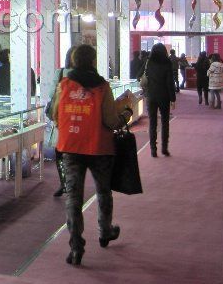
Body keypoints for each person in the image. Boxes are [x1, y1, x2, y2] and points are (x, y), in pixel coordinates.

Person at [51, 44, 133, 266]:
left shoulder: (64, 84)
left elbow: (55, 114)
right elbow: (111, 120)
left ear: (74, 61)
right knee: (103, 191)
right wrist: (126, 114)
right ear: (93, 61)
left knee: (73, 197)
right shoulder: (102, 86)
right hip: (99, 146)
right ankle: (105, 230)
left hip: (70, 146)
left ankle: (76, 247)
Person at [46, 46, 77, 197]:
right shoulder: (60, 73)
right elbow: (51, 93)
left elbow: (51, 92)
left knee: (66, 152)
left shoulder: (62, 73)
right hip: (65, 118)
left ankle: (67, 183)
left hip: (69, 118)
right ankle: (65, 183)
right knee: (61, 152)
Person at [144, 43, 176, 157]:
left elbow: (141, 76)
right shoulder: (167, 63)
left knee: (152, 123)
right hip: (164, 96)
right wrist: (173, 99)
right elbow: (170, 82)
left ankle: (153, 149)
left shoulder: (148, 62)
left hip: (151, 96)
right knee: (165, 122)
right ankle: (164, 148)